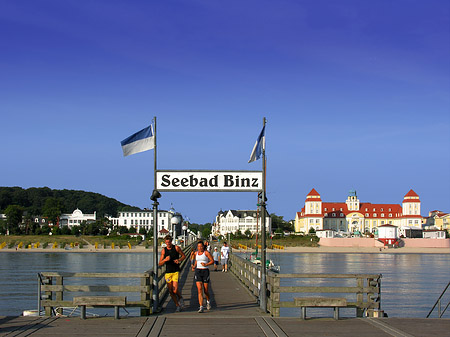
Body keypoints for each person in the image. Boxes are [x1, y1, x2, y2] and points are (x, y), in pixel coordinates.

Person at [159, 235, 186, 312]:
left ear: (171, 241)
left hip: (175, 271)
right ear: (165, 242)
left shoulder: (176, 248)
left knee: (175, 290)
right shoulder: (164, 251)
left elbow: (183, 255)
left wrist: (179, 260)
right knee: (170, 291)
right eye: (166, 242)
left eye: (169, 242)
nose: (168, 243)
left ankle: (180, 297)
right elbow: (160, 263)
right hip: (168, 272)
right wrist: (165, 260)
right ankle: (177, 305)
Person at [192, 241, 214, 313]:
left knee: (206, 290)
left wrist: (206, 264)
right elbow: (195, 261)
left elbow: (212, 261)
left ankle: (208, 301)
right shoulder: (196, 253)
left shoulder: (206, 253)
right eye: (198, 247)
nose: (200, 248)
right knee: (199, 289)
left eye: (201, 246)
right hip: (198, 271)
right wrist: (194, 266)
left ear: (203, 247)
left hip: (205, 271)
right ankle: (201, 306)